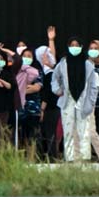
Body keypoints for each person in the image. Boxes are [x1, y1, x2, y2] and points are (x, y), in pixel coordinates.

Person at [51, 37, 99, 162]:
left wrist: (91, 102)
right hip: (67, 100)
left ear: (81, 47)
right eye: (72, 45)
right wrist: (57, 90)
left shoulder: (87, 64)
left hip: (83, 100)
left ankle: (85, 158)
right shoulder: (63, 63)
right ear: (68, 46)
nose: (74, 47)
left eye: (77, 45)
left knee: (84, 130)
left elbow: (94, 86)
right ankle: (70, 158)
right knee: (68, 130)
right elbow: (54, 78)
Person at [36, 26, 60, 159]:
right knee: (45, 133)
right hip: (48, 107)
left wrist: (42, 109)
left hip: (50, 107)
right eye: (44, 54)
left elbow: (47, 92)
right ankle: (45, 156)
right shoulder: (41, 71)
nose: (48, 55)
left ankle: (52, 157)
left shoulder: (51, 72)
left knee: (50, 132)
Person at [17, 48, 43, 150]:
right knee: (21, 135)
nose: (26, 58)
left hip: (33, 109)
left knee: (33, 136)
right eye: (24, 56)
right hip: (20, 109)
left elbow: (36, 88)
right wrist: (26, 87)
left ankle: (32, 156)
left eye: (29, 56)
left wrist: (21, 88)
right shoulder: (17, 71)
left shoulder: (37, 71)